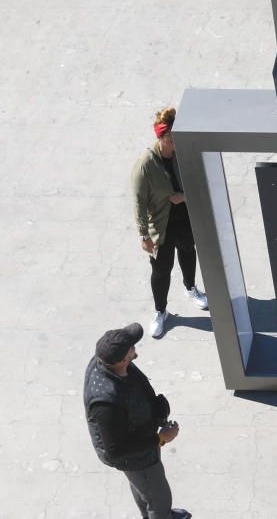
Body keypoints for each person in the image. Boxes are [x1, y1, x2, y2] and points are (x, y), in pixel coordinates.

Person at [84, 323, 190, 518]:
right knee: (158, 497)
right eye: (132, 347)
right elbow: (116, 450)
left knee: (145, 490)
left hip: (139, 438)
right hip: (135, 456)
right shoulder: (106, 402)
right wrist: (161, 438)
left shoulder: (108, 361)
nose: (135, 348)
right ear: (123, 359)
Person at [132, 107, 208, 339]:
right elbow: (138, 201)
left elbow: (201, 183)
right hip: (160, 226)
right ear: (164, 138)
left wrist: (183, 197)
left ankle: (190, 288)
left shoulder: (183, 154)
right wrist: (144, 235)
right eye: (175, 137)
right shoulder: (146, 164)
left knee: (187, 252)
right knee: (161, 270)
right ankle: (160, 311)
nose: (178, 141)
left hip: (184, 218)